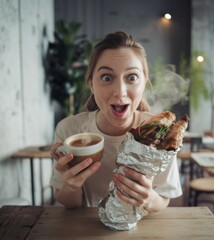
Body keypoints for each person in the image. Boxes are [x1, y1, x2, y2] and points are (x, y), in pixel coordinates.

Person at [50, 31, 182, 211]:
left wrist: (149, 198)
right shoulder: (70, 130)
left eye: (132, 77)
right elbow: (66, 201)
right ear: (91, 84)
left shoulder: (161, 130)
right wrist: (71, 186)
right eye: (106, 77)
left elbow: (163, 199)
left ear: (144, 82)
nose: (120, 92)